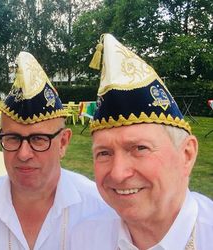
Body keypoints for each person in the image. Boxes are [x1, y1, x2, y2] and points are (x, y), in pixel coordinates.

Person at [69, 34, 213, 249]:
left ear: (187, 155)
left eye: (139, 148)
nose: (118, 174)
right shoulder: (85, 237)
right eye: (104, 153)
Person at [0, 51, 107, 249]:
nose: (24, 154)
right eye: (13, 138)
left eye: (38, 139)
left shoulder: (100, 208)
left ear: (63, 143)